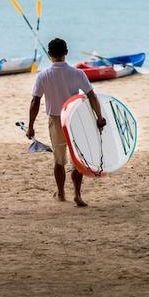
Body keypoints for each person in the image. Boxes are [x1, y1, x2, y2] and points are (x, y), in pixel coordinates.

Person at [26, 38, 106, 207]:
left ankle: (61, 193)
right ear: (66, 53)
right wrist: (99, 117)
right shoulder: (77, 74)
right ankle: (77, 194)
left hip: (56, 120)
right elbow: (92, 96)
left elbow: (35, 101)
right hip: (74, 119)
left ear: (49, 55)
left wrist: (31, 126)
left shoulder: (44, 75)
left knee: (59, 160)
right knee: (77, 158)